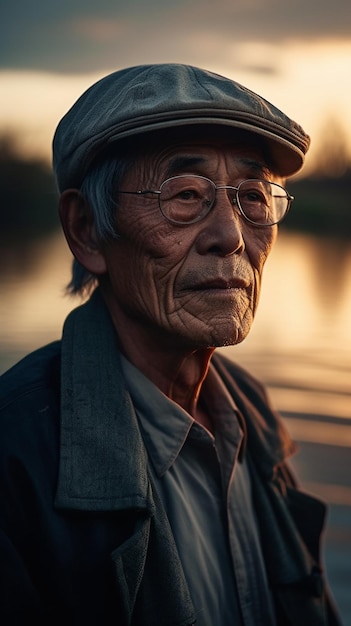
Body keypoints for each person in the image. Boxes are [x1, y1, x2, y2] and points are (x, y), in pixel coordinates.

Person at [0, 64, 341, 626]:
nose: (230, 236)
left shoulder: (249, 413)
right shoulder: (16, 455)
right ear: (86, 230)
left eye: (252, 196)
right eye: (185, 195)